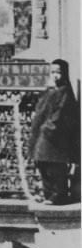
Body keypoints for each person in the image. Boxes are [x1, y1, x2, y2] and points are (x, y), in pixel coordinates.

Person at [28, 59, 80, 205]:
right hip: (43, 133)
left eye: (58, 72)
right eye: (52, 72)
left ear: (64, 73)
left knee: (53, 165)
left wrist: (47, 129)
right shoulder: (51, 90)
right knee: (42, 163)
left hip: (54, 136)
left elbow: (60, 114)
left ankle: (58, 195)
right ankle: (48, 193)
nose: (55, 75)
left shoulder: (65, 92)